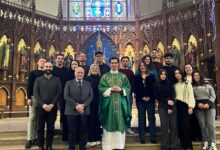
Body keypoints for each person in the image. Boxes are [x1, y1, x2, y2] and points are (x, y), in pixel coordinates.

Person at [99, 57, 131, 150]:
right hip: (108, 105)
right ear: (109, 64)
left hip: (121, 104)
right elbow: (101, 88)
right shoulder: (105, 76)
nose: (114, 64)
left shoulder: (123, 76)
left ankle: (119, 145)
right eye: (112, 63)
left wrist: (121, 89)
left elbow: (128, 88)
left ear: (118, 64)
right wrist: (111, 89)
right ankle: (108, 146)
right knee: (109, 122)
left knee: (120, 122)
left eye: (115, 63)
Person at [34, 62, 62, 150]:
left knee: (50, 128)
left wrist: (52, 104)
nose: (48, 68)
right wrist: (43, 104)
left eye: (50, 66)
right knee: (40, 127)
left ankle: (49, 145)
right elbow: (36, 93)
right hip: (41, 108)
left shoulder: (57, 80)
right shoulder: (38, 80)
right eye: (46, 66)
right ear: (43, 68)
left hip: (52, 108)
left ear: (52, 68)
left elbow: (59, 93)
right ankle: (40, 145)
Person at [64, 67, 93, 150]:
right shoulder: (68, 83)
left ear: (84, 73)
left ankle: (82, 146)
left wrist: (83, 105)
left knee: (83, 130)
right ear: (75, 73)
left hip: (84, 110)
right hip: (71, 110)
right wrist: (76, 105)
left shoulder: (88, 83)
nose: (80, 74)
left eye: (82, 73)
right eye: (78, 72)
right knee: (72, 131)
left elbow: (91, 96)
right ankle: (71, 147)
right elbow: (66, 96)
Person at [192, 71, 217, 150]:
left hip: (210, 106)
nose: (196, 76)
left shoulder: (208, 85)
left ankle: (212, 143)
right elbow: (191, 98)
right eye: (194, 75)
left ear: (200, 76)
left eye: (198, 75)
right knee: (202, 125)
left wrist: (208, 104)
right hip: (199, 108)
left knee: (211, 125)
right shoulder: (192, 87)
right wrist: (197, 104)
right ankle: (205, 142)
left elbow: (213, 95)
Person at [154, 69, 177, 150]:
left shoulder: (169, 84)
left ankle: (173, 145)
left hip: (172, 105)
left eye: (165, 74)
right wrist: (166, 101)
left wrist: (170, 107)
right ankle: (165, 145)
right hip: (162, 105)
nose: (163, 75)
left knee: (173, 126)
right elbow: (156, 95)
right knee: (164, 126)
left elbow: (172, 95)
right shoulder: (156, 84)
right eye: (162, 74)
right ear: (159, 75)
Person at [25, 58, 46, 149]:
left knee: (40, 119)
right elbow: (29, 85)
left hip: (43, 99)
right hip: (34, 97)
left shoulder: (47, 73)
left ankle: (37, 138)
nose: (43, 62)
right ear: (37, 63)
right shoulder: (33, 72)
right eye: (41, 61)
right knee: (32, 117)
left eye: (45, 61)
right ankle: (30, 139)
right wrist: (29, 97)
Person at [134, 62, 157, 144]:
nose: (142, 67)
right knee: (141, 119)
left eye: (144, 66)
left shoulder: (151, 77)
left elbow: (154, 88)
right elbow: (135, 89)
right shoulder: (136, 77)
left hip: (150, 100)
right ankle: (142, 138)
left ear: (147, 67)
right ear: (139, 67)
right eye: (141, 66)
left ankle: (153, 137)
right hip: (140, 101)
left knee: (151, 118)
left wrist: (150, 97)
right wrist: (142, 97)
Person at [174, 69, 195, 150]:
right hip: (177, 106)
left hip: (184, 106)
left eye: (178, 73)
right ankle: (183, 145)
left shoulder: (187, 83)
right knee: (179, 126)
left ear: (181, 74)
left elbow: (191, 95)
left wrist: (190, 106)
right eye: (175, 73)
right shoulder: (174, 85)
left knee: (185, 126)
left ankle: (188, 146)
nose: (177, 75)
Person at [52, 54, 69, 141]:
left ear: (63, 61)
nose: (60, 60)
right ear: (56, 60)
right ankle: (52, 130)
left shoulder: (67, 70)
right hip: (53, 94)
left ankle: (62, 130)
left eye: (61, 59)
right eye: (58, 58)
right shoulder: (52, 70)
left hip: (63, 94)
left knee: (63, 113)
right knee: (52, 113)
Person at [184, 64, 202, 141]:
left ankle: (200, 136)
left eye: (189, 67)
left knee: (198, 119)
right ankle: (193, 136)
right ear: (184, 69)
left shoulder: (196, 76)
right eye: (186, 68)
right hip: (187, 101)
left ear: (192, 68)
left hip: (197, 100)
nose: (188, 69)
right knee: (190, 120)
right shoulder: (183, 78)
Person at [85, 64, 102, 146]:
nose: (94, 69)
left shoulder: (101, 79)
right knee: (90, 120)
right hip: (89, 103)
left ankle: (97, 138)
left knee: (97, 121)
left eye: (96, 68)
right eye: (93, 68)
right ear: (90, 69)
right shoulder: (87, 79)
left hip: (99, 102)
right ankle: (90, 139)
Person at [119, 56, 135, 135]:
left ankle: (128, 127)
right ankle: (121, 127)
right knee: (120, 111)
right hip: (119, 95)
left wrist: (130, 92)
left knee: (128, 111)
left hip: (128, 95)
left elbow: (132, 84)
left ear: (128, 62)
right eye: (124, 61)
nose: (125, 62)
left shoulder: (131, 72)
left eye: (126, 61)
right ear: (121, 62)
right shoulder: (118, 71)